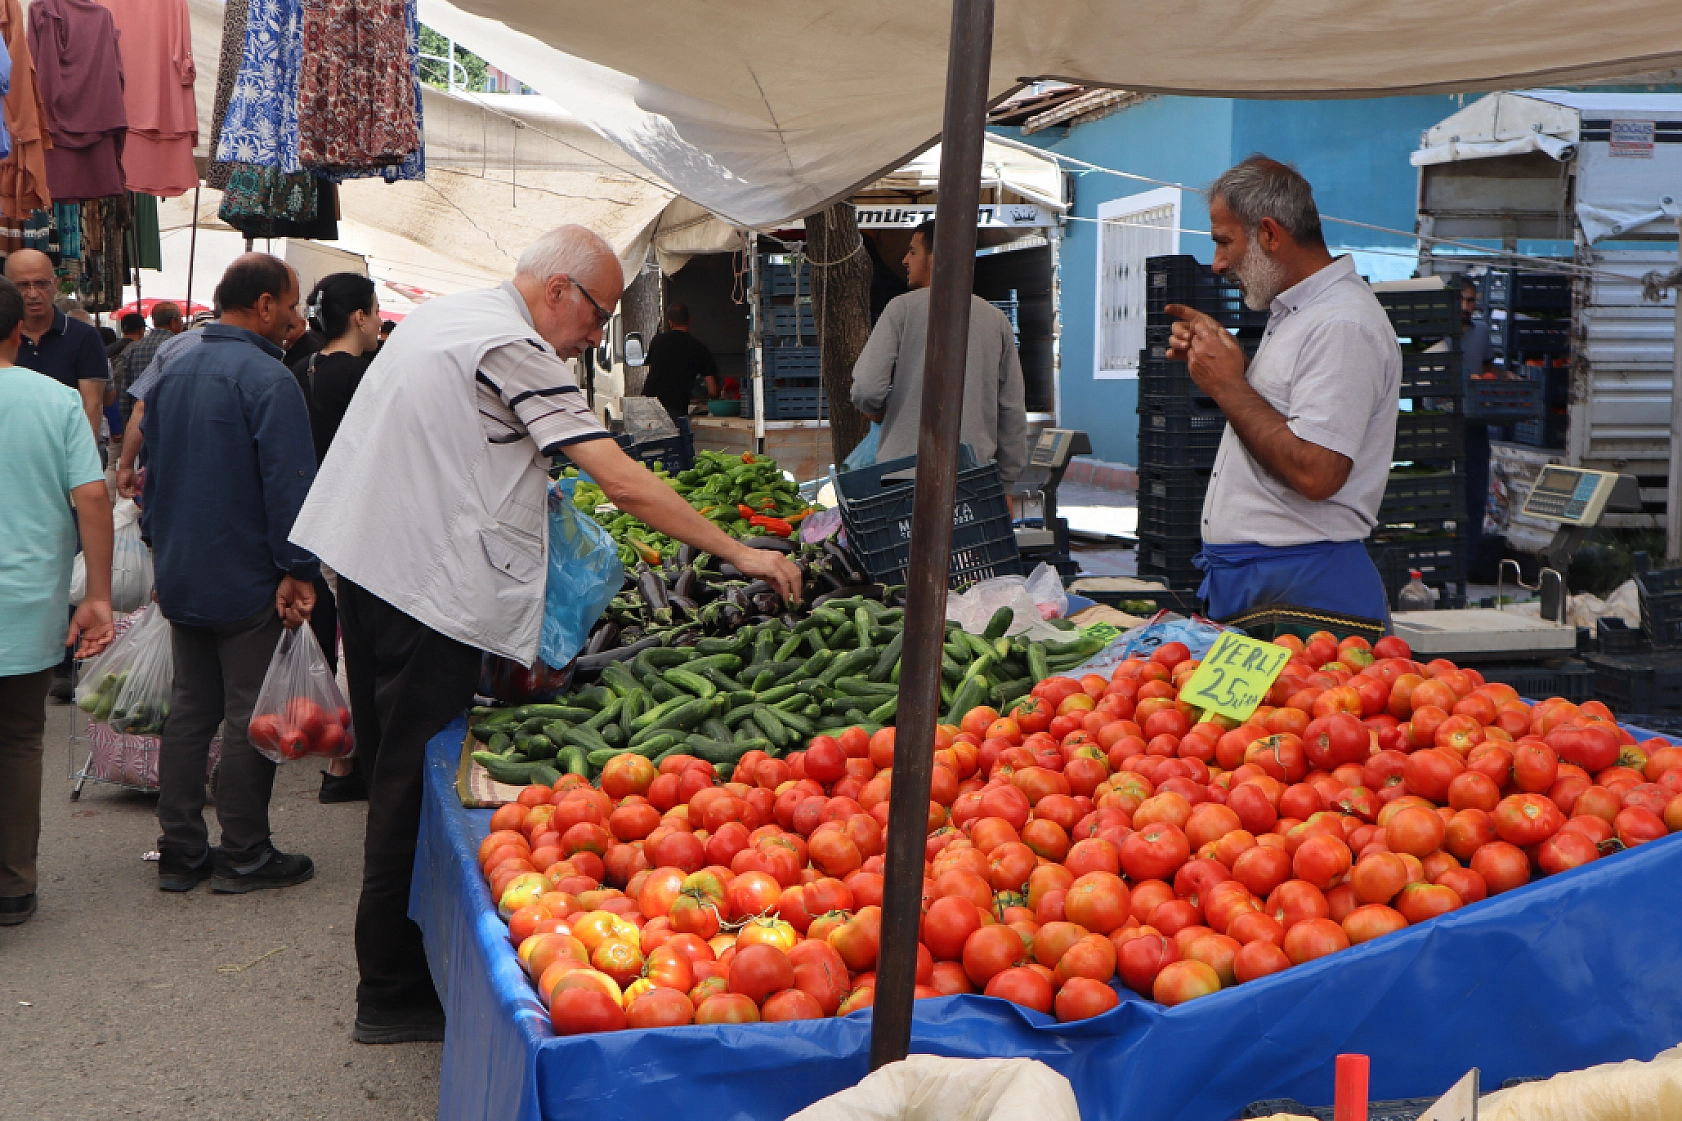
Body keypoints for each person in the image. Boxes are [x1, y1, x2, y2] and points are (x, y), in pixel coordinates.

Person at [290, 224, 803, 1045]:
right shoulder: (512, 344)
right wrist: (738, 551)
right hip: (426, 588)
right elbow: (621, 478)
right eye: (598, 315)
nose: (596, 335)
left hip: (370, 567)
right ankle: (388, 989)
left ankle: (392, 972)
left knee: (396, 770)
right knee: (406, 786)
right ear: (559, 290)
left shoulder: (445, 319)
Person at [142, 253, 321, 895]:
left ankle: (180, 850)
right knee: (249, 714)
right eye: (294, 303)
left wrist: (159, 550)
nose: (298, 319)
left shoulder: (173, 365)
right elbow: (289, 487)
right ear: (266, 304)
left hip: (184, 569)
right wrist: (298, 569)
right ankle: (244, 850)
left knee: (191, 712)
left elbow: (150, 476)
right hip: (245, 575)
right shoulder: (268, 380)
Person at [1167, 155, 1399, 623]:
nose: (1217, 264)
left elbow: (1317, 472)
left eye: (1224, 242)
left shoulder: (1341, 323)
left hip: (1302, 587)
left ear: (1270, 234)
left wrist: (1228, 384)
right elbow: (1292, 419)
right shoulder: (1300, 314)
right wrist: (1230, 367)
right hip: (1273, 582)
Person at [0, 276, 115, 926]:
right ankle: (13, 885)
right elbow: (93, 497)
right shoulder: (55, 400)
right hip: (26, 601)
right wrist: (97, 595)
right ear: (19, 331)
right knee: (17, 739)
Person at [291, 272, 382, 804]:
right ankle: (346, 762)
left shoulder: (305, 368)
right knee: (361, 649)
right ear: (358, 317)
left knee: (350, 642)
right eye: (374, 309)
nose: (376, 321)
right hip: (358, 520)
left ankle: (342, 761)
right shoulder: (361, 375)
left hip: (322, 518)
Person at [850, 219, 1028, 487]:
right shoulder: (996, 320)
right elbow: (1011, 410)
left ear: (935, 258)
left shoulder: (901, 310)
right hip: (974, 480)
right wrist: (1007, 483)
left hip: (905, 477)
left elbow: (865, 389)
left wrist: (874, 409)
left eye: (913, 251)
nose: (904, 260)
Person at [6, 250, 109, 453]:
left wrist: (82, 461)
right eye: (23, 285)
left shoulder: (83, 336)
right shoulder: (4, 337)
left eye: (41, 284)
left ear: (55, 285)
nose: (33, 294)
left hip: (68, 448)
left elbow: (93, 404)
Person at [640, 301, 718, 421]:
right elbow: (712, 390)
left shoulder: (657, 341)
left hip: (647, 407)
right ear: (690, 319)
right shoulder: (699, 348)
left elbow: (652, 371)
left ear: (670, 322)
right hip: (675, 409)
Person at [111, 301, 184, 426]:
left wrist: (126, 423)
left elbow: (124, 390)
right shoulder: (180, 347)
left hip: (138, 423)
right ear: (173, 322)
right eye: (181, 319)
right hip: (170, 421)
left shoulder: (133, 348)